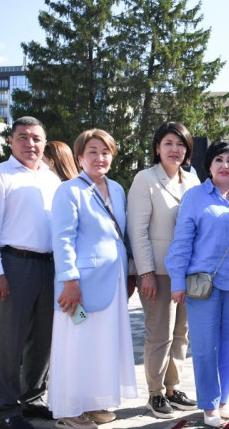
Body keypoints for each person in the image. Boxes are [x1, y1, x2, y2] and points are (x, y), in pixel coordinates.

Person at [0, 116, 62, 429]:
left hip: (49, 267)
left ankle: (33, 399)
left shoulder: (52, 179)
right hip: (13, 265)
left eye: (36, 138)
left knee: (43, 340)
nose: (30, 143)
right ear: (11, 141)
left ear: (44, 142)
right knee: (9, 343)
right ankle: (8, 410)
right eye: (22, 137)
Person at [48, 129, 137, 429]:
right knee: (76, 345)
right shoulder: (69, 190)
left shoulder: (117, 189)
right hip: (79, 286)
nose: (100, 158)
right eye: (93, 152)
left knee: (102, 345)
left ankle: (95, 402)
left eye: (105, 152)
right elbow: (62, 240)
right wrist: (70, 281)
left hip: (111, 282)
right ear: (80, 157)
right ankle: (69, 410)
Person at [165, 140, 229, 428]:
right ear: (210, 165)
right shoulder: (195, 197)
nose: (225, 165)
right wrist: (177, 281)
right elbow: (181, 242)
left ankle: (223, 399)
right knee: (204, 346)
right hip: (203, 287)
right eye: (219, 160)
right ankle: (209, 404)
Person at [127, 122, 200, 419]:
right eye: (169, 143)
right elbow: (138, 230)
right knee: (160, 334)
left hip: (188, 272)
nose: (175, 149)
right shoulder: (145, 179)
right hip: (157, 271)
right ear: (157, 147)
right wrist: (145, 272)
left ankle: (173, 387)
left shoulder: (193, 181)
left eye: (181, 144)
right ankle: (154, 392)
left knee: (182, 333)